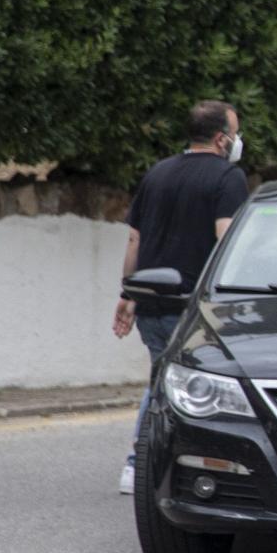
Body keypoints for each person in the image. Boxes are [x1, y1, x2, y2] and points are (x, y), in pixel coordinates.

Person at [113, 100, 248, 494]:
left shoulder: (158, 172)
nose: (238, 141)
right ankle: (146, 462)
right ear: (222, 139)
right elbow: (226, 239)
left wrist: (128, 293)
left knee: (161, 380)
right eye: (236, 133)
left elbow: (136, 239)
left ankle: (146, 461)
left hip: (150, 304)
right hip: (195, 308)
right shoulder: (228, 178)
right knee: (182, 388)